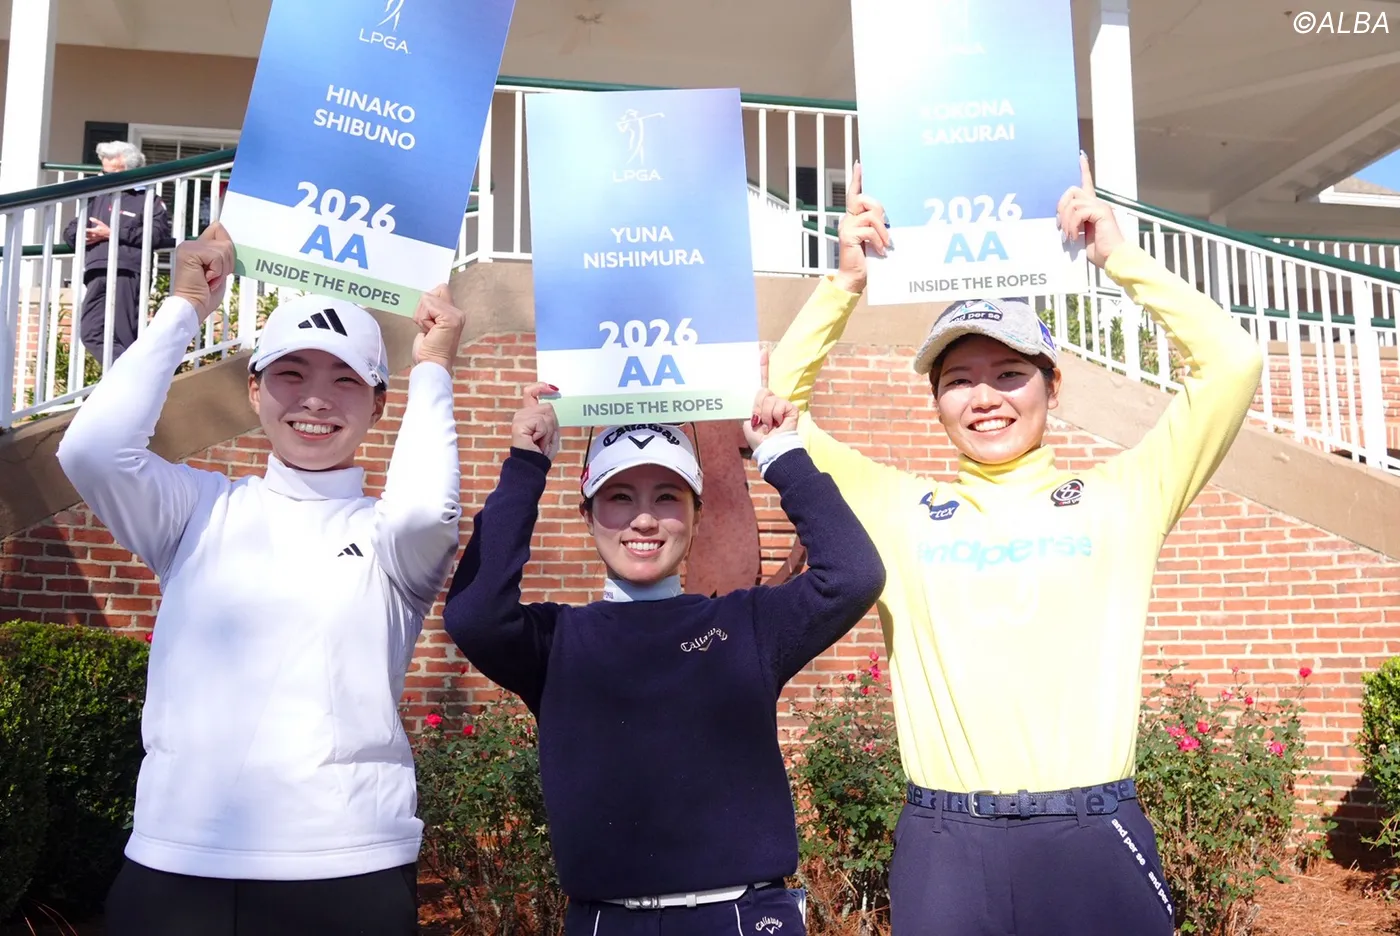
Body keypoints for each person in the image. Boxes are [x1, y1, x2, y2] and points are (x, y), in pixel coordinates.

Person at [766, 156, 1264, 936]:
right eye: (958, 379)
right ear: (935, 401)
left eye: (1008, 373)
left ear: (1052, 386)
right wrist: (844, 285)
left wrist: (1117, 257)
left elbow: (1233, 362)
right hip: (945, 848)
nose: (985, 397)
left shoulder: (1125, 497)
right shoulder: (899, 510)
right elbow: (776, 409)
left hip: (1092, 836)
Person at [56, 222, 466, 936]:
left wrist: (432, 367)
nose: (316, 399)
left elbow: (427, 509)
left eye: (345, 379)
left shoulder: (390, 539)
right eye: (291, 374)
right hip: (175, 863)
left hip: (348, 869)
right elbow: (92, 450)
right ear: (254, 390)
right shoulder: (195, 509)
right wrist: (186, 307)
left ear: (379, 405)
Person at [441, 390, 886, 935]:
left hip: (743, 917)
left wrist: (781, 453)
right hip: (607, 921)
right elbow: (475, 615)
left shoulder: (748, 625)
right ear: (588, 516)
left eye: (668, 497)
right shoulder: (556, 643)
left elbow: (853, 576)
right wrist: (526, 466)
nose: (645, 520)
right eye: (619, 497)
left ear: (698, 515)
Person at [62, 141, 175, 363]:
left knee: (124, 335)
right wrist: (84, 234)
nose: (106, 178)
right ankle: (131, 374)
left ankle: (132, 377)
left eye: (113, 173)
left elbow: (155, 235)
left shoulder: (148, 199)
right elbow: (70, 231)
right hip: (96, 271)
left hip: (127, 272)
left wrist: (112, 233)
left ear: (131, 171)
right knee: (91, 332)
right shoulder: (98, 196)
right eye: (104, 172)